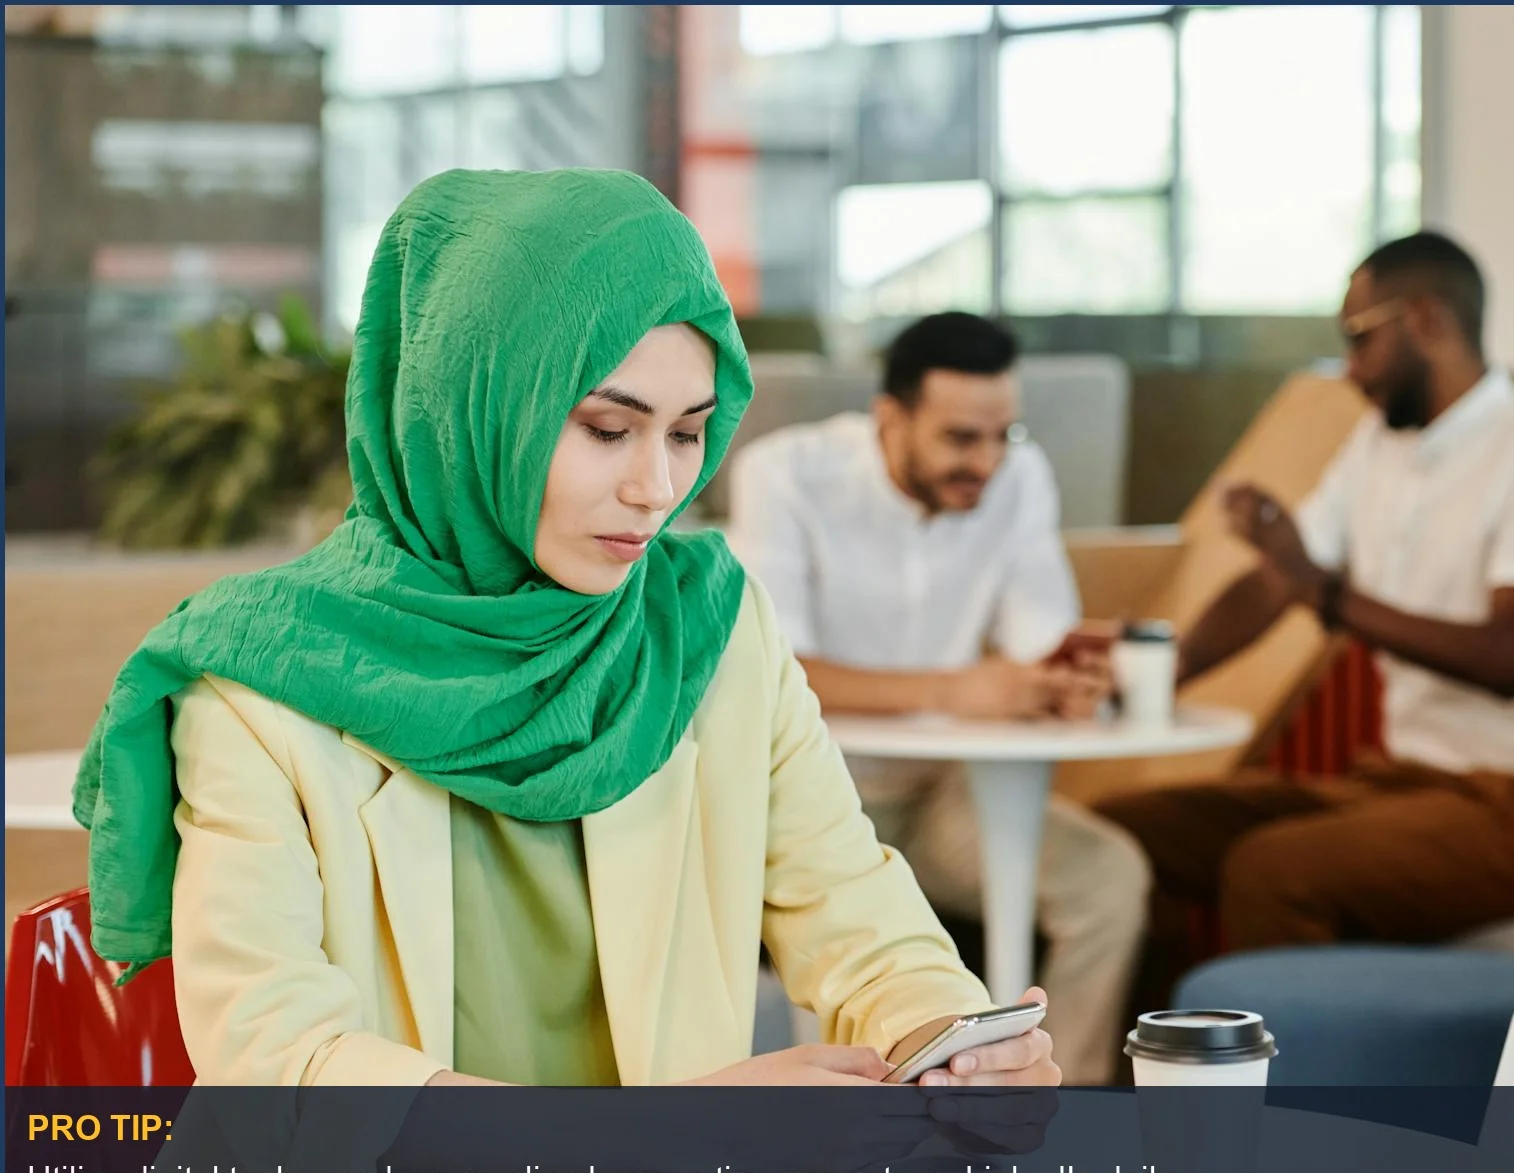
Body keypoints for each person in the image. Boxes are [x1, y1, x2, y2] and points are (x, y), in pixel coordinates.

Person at [72, 169, 1058, 1090]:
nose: (655, 488)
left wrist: (948, 1042)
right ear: (472, 407)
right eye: (604, 426)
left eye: (684, 432)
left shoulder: (706, 628)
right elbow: (283, 1064)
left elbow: (857, 917)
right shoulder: (260, 682)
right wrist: (666, 1140)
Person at [1097, 232, 1514, 989]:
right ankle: (1139, 1090)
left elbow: (1509, 659)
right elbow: (1278, 581)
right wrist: (1156, 673)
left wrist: (1327, 594)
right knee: (1127, 834)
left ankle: (1284, 1106)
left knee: (1273, 871)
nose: (1350, 369)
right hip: (1400, 786)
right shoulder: (1380, 446)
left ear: (1424, 319)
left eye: (1358, 338)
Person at [727, 312, 1151, 1086]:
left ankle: (1058, 1111)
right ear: (891, 417)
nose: (986, 462)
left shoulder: (1019, 479)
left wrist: (1068, 674)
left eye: (1003, 435)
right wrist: (959, 688)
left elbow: (1035, 638)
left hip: (946, 793)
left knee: (1108, 880)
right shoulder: (786, 473)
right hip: (809, 799)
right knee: (828, 951)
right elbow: (772, 668)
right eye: (961, 438)